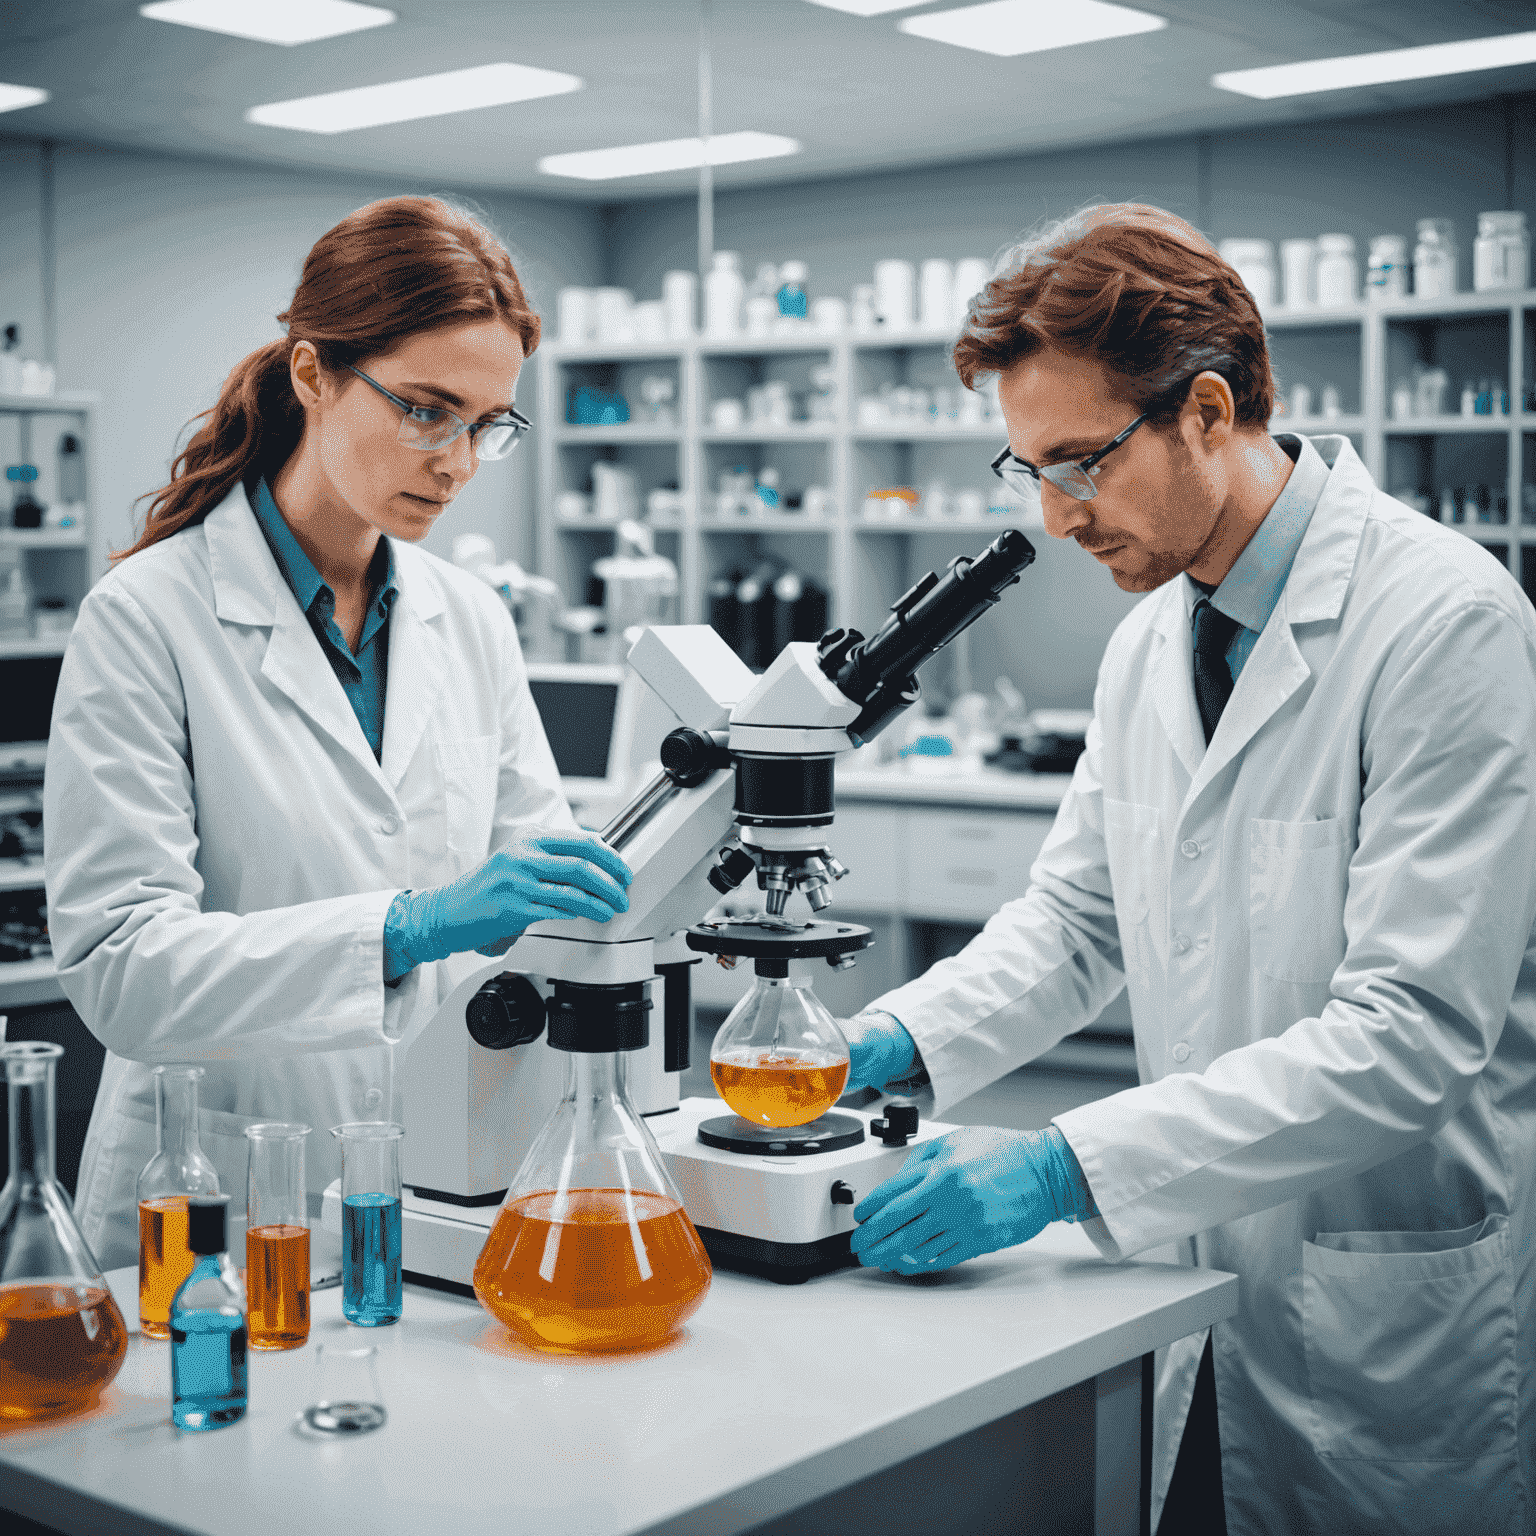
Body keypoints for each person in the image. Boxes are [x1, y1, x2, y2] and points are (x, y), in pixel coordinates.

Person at [838, 205, 1536, 1535]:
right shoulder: (1152, 643)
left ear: (1208, 412)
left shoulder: (1442, 623)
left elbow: (1409, 1035)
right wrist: (883, 1040)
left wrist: (1062, 1168)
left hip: (1380, 1305)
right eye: (1027, 467)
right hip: (1182, 1278)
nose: (1053, 515)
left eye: (1081, 462)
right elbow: (1077, 923)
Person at [45, 196, 632, 1271]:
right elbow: (120, 969)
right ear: (312, 372)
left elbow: (539, 891)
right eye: (424, 409)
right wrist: (407, 927)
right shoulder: (147, 618)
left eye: (487, 425)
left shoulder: (473, 618)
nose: (456, 460)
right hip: (209, 1191)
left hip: (443, 1169)